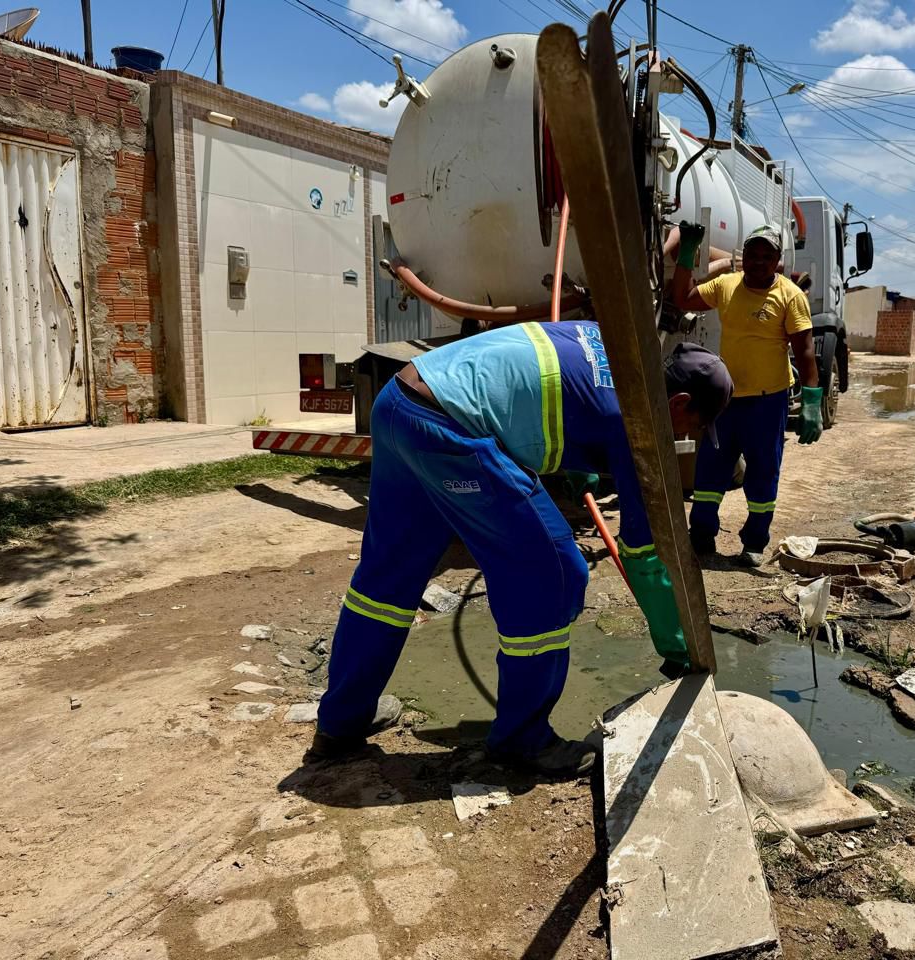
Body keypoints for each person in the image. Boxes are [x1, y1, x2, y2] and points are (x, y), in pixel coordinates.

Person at [311, 320, 733, 777]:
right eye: (694, 424)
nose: (684, 436)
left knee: (388, 574)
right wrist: (678, 648)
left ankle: (342, 721)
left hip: (399, 402)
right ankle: (522, 740)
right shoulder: (636, 419)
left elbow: (550, 389)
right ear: (679, 402)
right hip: (448, 427)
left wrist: (581, 456)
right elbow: (644, 552)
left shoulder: (609, 341)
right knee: (554, 574)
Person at [669, 222, 821, 567]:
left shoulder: (790, 296)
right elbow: (682, 298)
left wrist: (812, 401)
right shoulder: (727, 285)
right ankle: (702, 536)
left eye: (766, 256)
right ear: (744, 257)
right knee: (710, 471)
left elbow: (806, 351)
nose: (758, 262)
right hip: (724, 401)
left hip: (768, 403)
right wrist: (688, 254)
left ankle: (754, 542)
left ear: (777, 261)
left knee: (763, 472)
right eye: (752, 255)